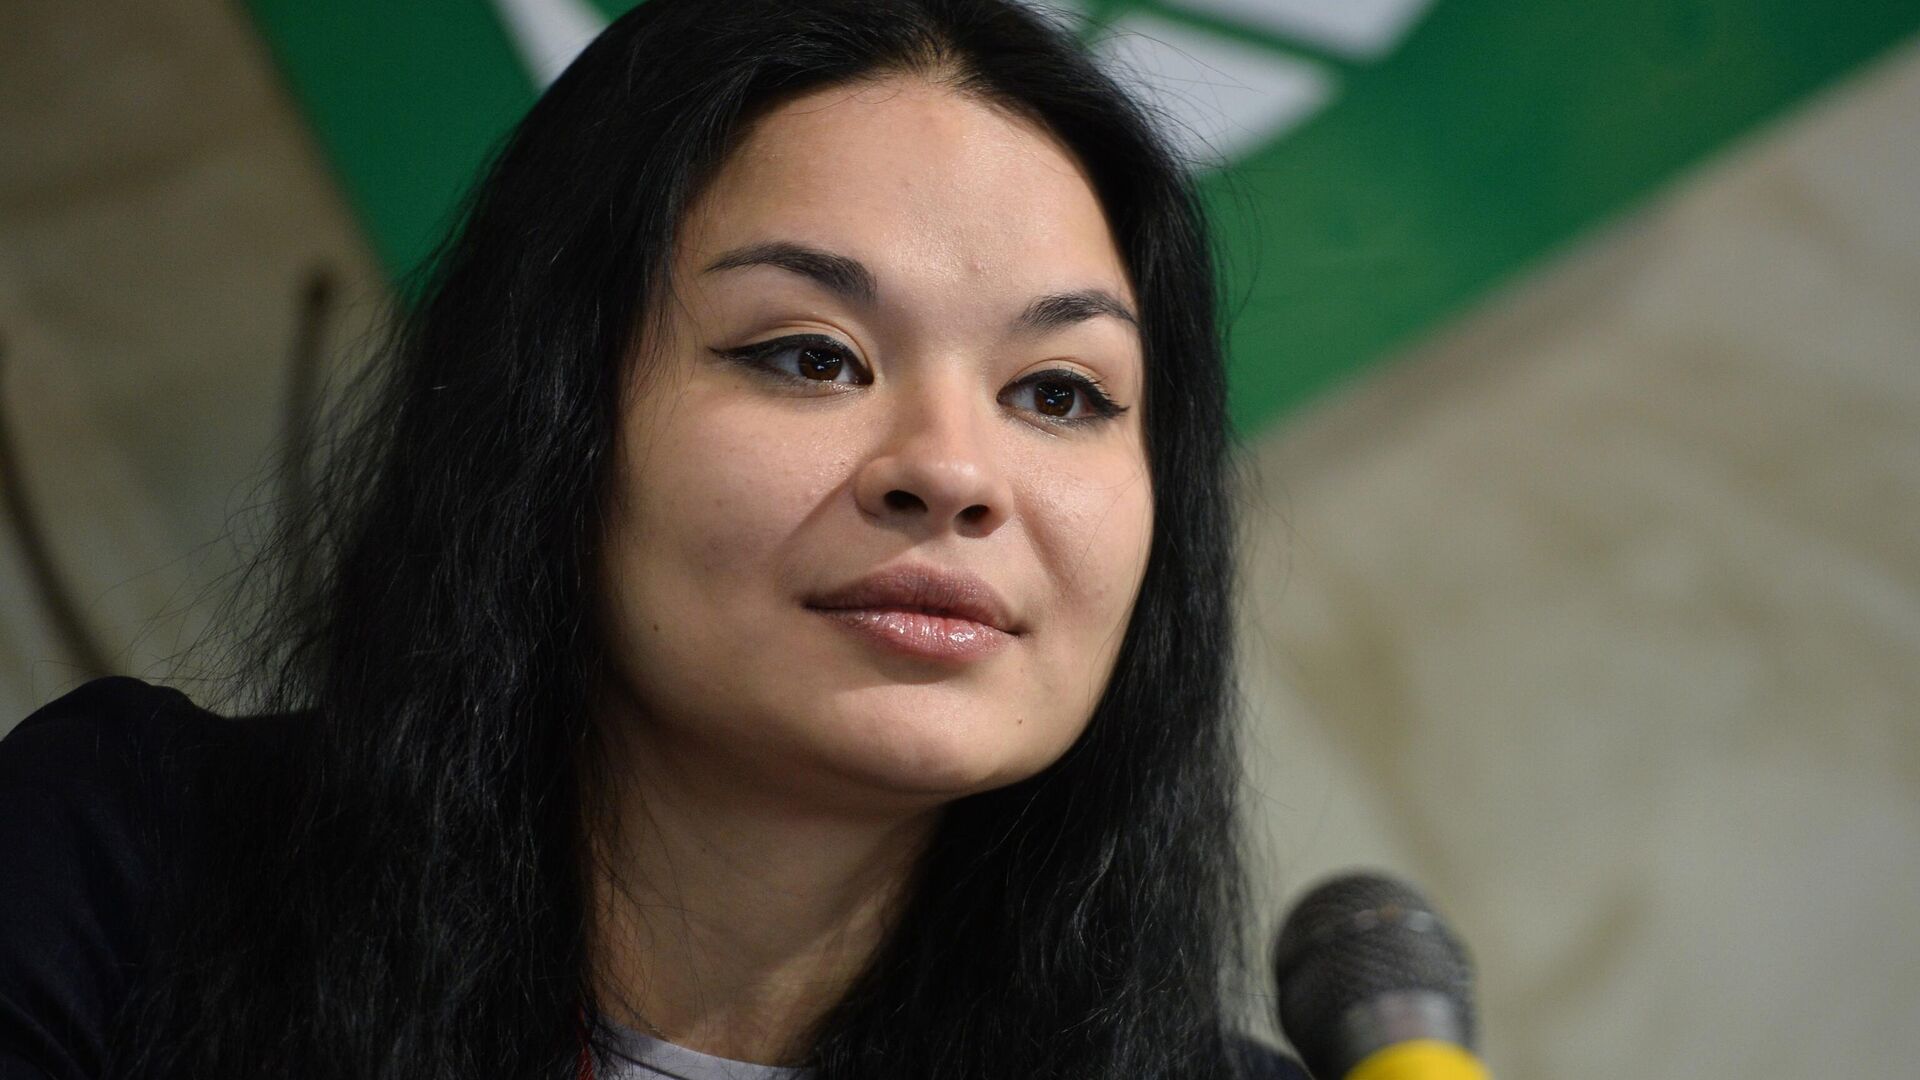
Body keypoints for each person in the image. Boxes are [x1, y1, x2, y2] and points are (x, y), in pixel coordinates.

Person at [0, 1, 1303, 1077]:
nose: (955, 472)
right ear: (553, 414)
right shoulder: (125, 869)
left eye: (1060, 394)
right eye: (813, 356)